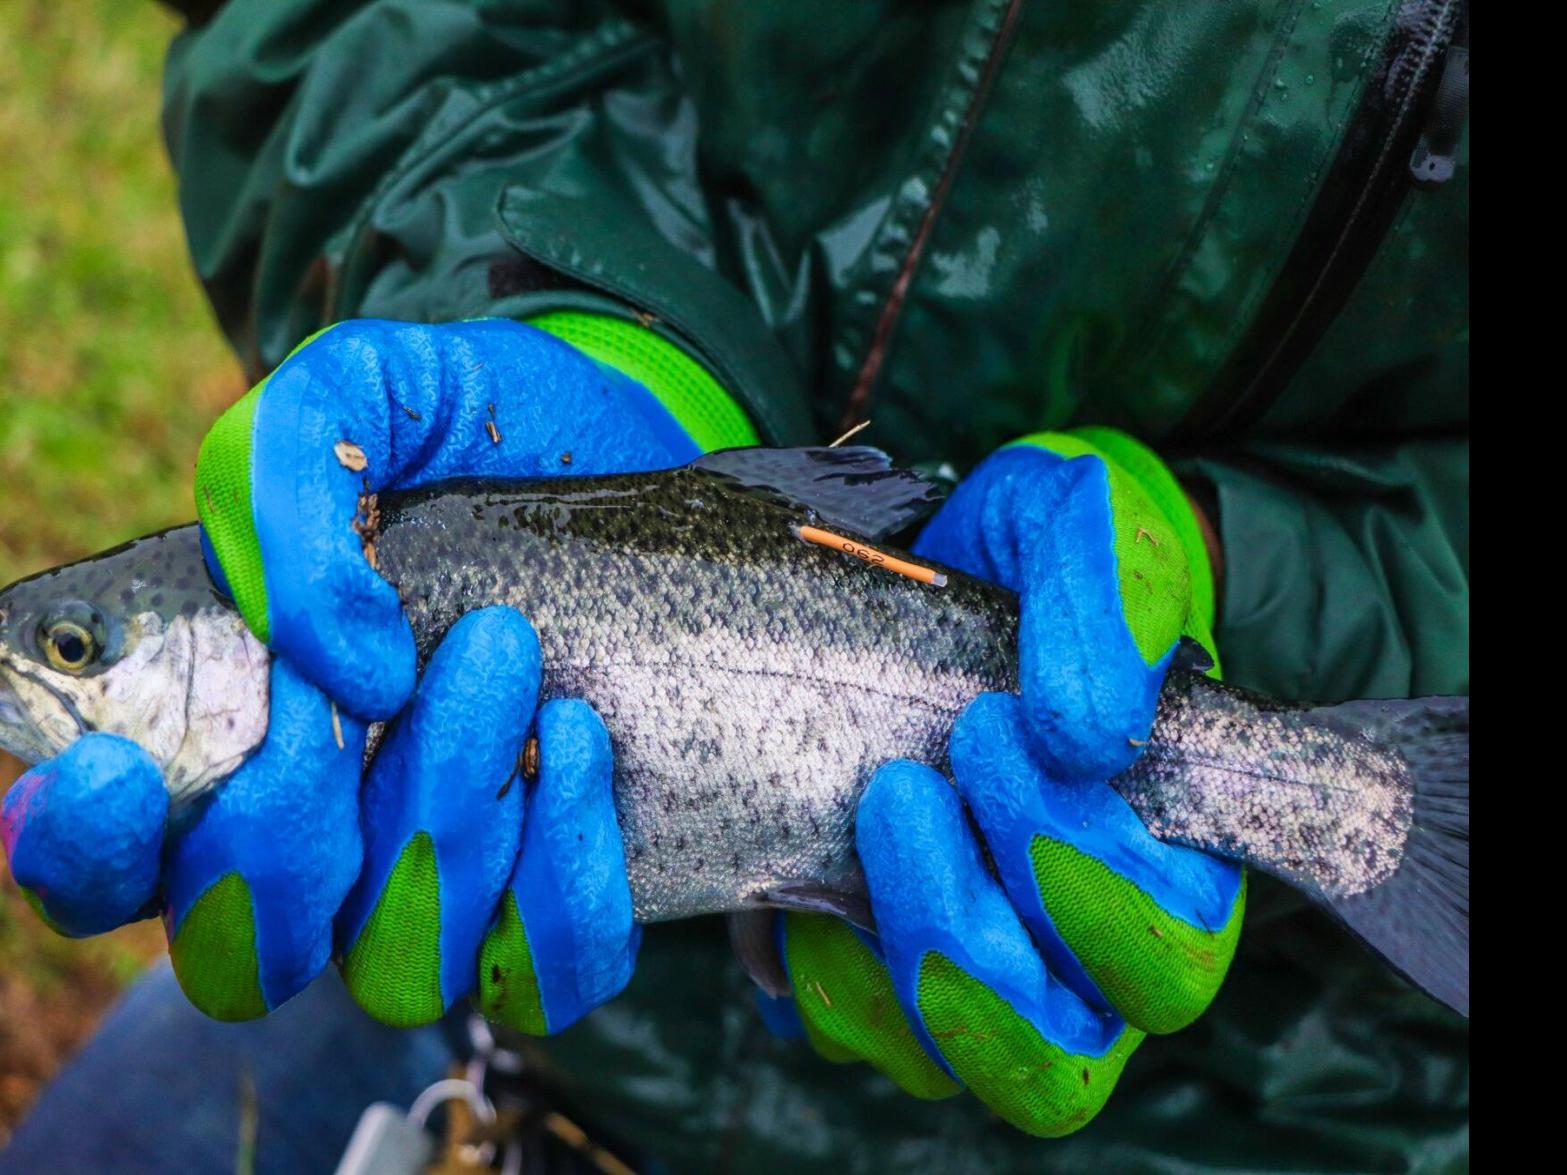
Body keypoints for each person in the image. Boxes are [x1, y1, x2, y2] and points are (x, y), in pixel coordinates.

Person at [2, 1, 1468, 1170]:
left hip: (1273, 1106)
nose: (43, 671)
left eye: (72, 646)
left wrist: (1239, 577)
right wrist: (574, 317)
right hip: (498, 1032)